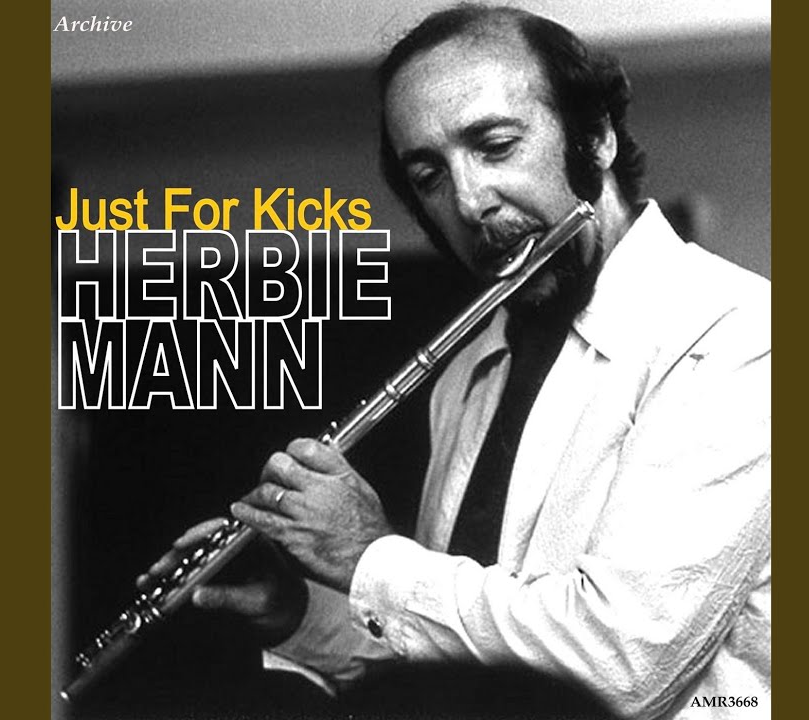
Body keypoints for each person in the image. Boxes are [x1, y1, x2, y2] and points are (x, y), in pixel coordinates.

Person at [144, 5, 770, 718]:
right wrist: (299, 612)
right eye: (429, 175)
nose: (469, 202)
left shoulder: (739, 337)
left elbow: (616, 668)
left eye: (496, 146)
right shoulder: (470, 370)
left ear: (595, 137)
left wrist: (368, 555)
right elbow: (463, 680)